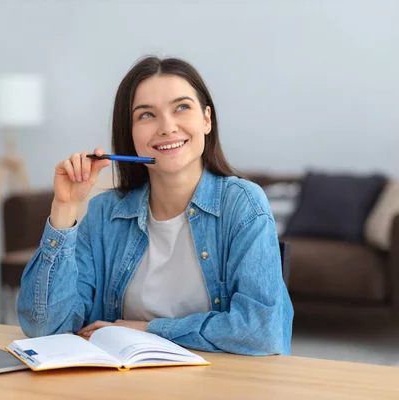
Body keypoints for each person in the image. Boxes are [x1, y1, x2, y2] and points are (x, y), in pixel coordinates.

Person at [17, 55, 293, 355]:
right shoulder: (104, 213)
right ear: (130, 133)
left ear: (206, 119)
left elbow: (261, 331)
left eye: (182, 107)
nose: (167, 127)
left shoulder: (243, 205)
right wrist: (64, 209)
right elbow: (45, 329)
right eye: (146, 115)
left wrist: (149, 329)